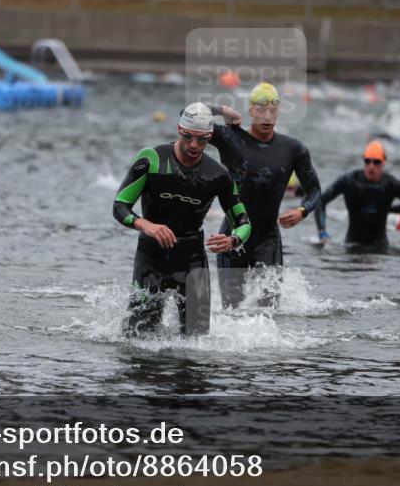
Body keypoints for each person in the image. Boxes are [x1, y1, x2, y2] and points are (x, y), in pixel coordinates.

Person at [112, 103, 251, 336]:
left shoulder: (218, 175)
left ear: (209, 137)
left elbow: (244, 222)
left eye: (202, 139)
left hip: (193, 262)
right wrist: (145, 224)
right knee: (137, 339)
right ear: (179, 129)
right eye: (188, 137)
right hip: (151, 259)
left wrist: (233, 240)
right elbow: (119, 206)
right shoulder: (152, 159)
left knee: (197, 343)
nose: (194, 145)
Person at [205, 82, 322, 308]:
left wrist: (302, 211)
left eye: (273, 110)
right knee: (232, 311)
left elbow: (314, 189)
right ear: (250, 111)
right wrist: (222, 110)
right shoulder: (231, 138)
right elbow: (188, 115)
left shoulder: (293, 149)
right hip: (232, 236)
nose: (267, 116)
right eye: (261, 109)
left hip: (268, 240)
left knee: (269, 314)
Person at [316, 140, 400, 249]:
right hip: (352, 245)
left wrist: (390, 209)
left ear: (383, 162)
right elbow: (320, 201)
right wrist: (322, 233)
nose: (371, 166)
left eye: (376, 162)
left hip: (380, 247)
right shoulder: (349, 181)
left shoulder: (391, 184)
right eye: (367, 161)